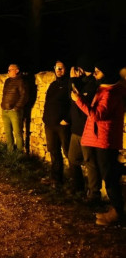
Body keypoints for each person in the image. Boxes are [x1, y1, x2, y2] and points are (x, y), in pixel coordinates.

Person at [71, 59, 126, 225]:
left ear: (107, 73)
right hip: (101, 139)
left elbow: (97, 115)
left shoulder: (110, 93)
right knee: (110, 175)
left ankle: (117, 214)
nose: (94, 73)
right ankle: (116, 209)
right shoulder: (105, 89)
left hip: (105, 141)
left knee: (109, 178)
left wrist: (78, 100)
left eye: (98, 70)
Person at [67, 56, 99, 198]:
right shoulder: (80, 82)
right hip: (76, 129)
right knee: (72, 158)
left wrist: (75, 81)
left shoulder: (94, 85)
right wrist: (73, 80)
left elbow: (83, 99)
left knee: (89, 161)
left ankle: (94, 192)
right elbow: (71, 95)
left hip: (87, 129)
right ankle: (78, 186)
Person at [42, 61, 71, 188]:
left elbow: (73, 103)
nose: (59, 70)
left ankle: (75, 182)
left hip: (62, 125)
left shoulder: (70, 84)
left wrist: (67, 118)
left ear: (66, 69)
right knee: (53, 151)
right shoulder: (53, 84)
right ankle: (56, 178)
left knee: (68, 151)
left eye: (62, 68)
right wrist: (45, 118)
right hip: (50, 123)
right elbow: (48, 102)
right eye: (57, 68)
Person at [0, 64, 28, 152]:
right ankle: (10, 152)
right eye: (8, 70)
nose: (8, 71)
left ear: (17, 70)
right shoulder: (7, 81)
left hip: (14, 111)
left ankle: (20, 153)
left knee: (17, 133)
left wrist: (16, 108)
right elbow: (5, 94)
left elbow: (24, 96)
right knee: (8, 133)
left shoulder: (21, 81)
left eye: (10, 70)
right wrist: (3, 105)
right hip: (5, 110)